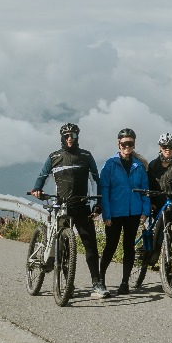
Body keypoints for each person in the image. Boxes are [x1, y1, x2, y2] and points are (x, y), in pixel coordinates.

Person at [32, 122, 107, 298]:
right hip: (61, 207)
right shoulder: (54, 157)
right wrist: (37, 189)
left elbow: (97, 181)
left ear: (77, 137)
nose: (69, 139)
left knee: (91, 245)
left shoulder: (86, 156)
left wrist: (98, 204)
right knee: (63, 247)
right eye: (66, 136)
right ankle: (67, 285)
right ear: (62, 138)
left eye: (73, 136)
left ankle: (96, 283)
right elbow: (42, 177)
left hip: (82, 206)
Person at [98, 128, 150, 295]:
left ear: (134, 144)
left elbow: (145, 190)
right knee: (110, 246)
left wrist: (145, 211)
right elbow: (104, 190)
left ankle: (125, 283)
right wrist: (106, 214)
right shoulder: (110, 164)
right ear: (118, 144)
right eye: (124, 144)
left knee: (129, 247)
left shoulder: (139, 165)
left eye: (130, 144)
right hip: (114, 213)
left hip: (133, 213)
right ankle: (101, 280)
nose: (127, 147)